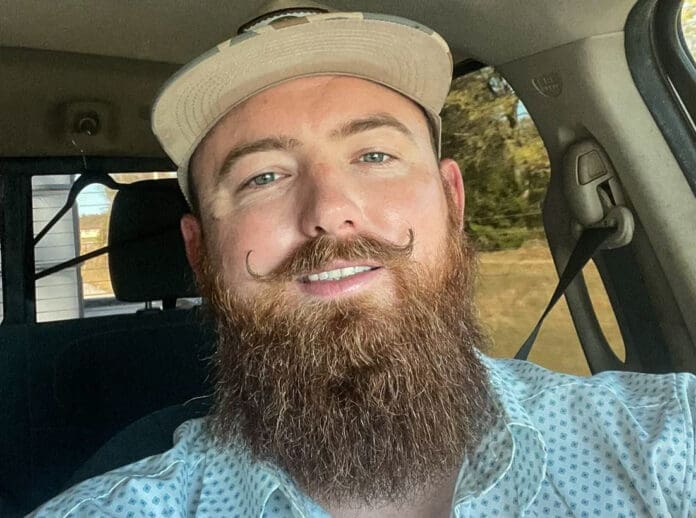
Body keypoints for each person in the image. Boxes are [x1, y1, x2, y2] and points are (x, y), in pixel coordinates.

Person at [31, 5, 695, 518]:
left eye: (375, 155)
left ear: (451, 200)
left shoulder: (662, 444)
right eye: (263, 176)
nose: (329, 211)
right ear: (200, 253)